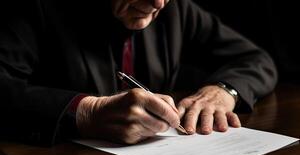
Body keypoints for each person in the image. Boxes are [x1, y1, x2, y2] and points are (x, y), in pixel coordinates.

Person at [0, 0, 277, 146]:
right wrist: (87, 112)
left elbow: (257, 59)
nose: (158, 2)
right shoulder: (39, 7)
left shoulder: (177, 9)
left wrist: (224, 90)